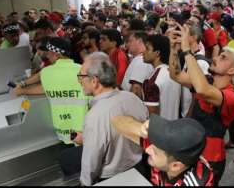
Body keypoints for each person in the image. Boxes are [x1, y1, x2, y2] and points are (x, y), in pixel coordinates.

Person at [169, 22, 234, 185]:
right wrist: (173, 50)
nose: (214, 58)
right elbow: (176, 75)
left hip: (210, 158)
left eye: (222, 57)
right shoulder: (209, 80)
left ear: (232, 71)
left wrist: (187, 51)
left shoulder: (233, 96)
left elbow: (203, 90)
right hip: (192, 150)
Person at [13, 37, 90, 178]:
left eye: (49, 53)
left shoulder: (48, 73)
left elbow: (42, 85)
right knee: (87, 166)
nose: (47, 55)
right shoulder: (81, 69)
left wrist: (22, 88)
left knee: (73, 166)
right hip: (85, 130)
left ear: (57, 54)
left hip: (62, 130)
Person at [78, 52, 148, 185]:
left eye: (81, 76)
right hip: (140, 170)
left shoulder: (95, 116)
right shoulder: (132, 98)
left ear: (94, 81)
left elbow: (91, 162)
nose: (80, 81)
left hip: (112, 179)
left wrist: (84, 182)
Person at [111, 114, 214, 186]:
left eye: (154, 152)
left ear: (175, 166)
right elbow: (116, 121)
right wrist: (140, 129)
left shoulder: (194, 182)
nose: (147, 150)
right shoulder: (167, 152)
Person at [142, 34, 181, 121]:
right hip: (175, 127)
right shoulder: (175, 74)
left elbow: (152, 117)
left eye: (147, 49)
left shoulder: (151, 80)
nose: (143, 52)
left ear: (157, 53)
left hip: (159, 131)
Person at [121, 31, 154, 99]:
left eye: (130, 41)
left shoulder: (141, 60)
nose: (127, 45)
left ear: (139, 41)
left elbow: (136, 89)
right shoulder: (140, 59)